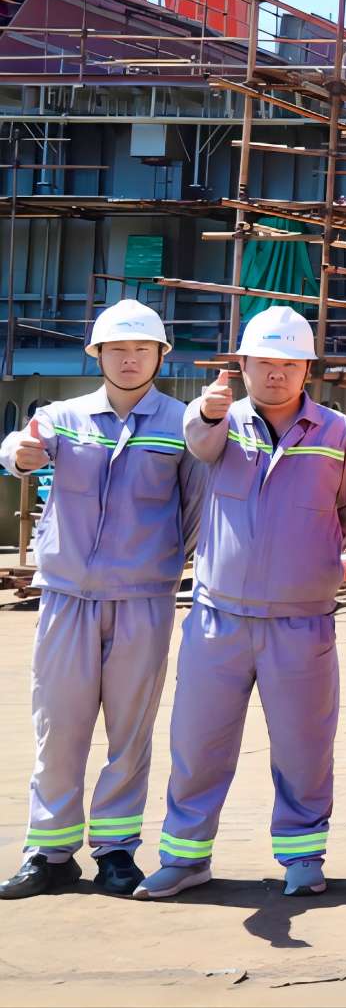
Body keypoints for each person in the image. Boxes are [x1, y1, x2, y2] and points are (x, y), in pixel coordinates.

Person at [139, 305, 346, 899]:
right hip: (218, 618)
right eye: (265, 362)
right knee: (198, 743)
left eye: (290, 363)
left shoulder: (335, 433)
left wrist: (310, 552)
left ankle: (302, 856)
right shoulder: (219, 423)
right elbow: (197, 443)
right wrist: (208, 411)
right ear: (242, 364)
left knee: (304, 746)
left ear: (307, 370)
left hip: (301, 620)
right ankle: (185, 856)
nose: (277, 373)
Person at [2, 302, 203, 900]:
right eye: (117, 349)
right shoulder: (61, 417)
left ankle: (116, 851)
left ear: (161, 356)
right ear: (98, 355)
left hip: (143, 600)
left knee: (129, 731)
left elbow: (196, 507)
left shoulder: (183, 424)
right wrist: (19, 455)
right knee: (58, 725)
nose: (130, 358)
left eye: (142, 349)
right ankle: (49, 852)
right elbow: (21, 447)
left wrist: (161, 563)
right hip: (67, 597)